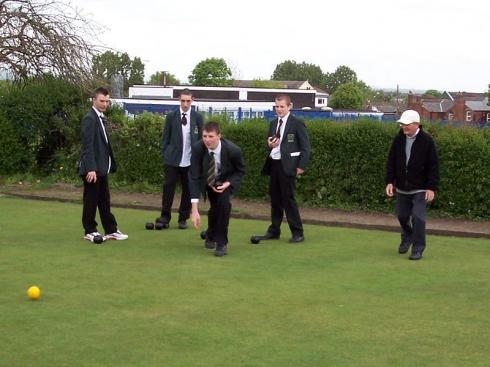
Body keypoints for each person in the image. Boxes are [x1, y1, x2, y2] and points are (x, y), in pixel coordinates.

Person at [385, 109, 439, 260]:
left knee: (418, 217)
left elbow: (433, 166)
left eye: (407, 124)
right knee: (402, 216)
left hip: (420, 188)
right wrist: (389, 181)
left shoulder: (427, 141)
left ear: (416, 124)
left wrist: (431, 188)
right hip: (402, 187)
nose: (404, 127)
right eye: (402, 124)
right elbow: (391, 161)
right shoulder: (399, 139)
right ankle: (407, 235)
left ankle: (418, 248)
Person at [258, 94, 310, 243]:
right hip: (274, 164)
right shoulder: (273, 123)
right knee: (275, 199)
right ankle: (274, 230)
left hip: (288, 166)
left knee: (288, 199)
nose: (279, 109)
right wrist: (269, 144)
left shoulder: (297, 123)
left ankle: (298, 232)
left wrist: (301, 166)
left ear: (289, 106)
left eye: (282, 106)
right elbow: (270, 142)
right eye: (277, 106)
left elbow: (306, 148)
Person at [78, 87, 128, 242]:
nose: (105, 104)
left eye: (107, 101)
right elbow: (87, 146)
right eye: (102, 101)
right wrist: (90, 168)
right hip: (92, 170)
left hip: (102, 169)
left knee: (104, 201)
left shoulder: (100, 117)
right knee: (91, 200)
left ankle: (111, 230)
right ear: (94, 100)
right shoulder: (89, 118)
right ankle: (89, 230)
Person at [189, 121, 245, 256]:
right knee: (215, 208)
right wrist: (194, 210)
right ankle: (210, 234)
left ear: (219, 135)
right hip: (206, 181)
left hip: (224, 181)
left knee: (224, 205)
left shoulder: (233, 150)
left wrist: (228, 183)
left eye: (211, 136)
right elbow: (194, 177)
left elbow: (240, 171)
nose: (207, 140)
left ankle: (221, 242)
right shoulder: (197, 148)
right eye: (204, 136)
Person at [157, 88, 203, 229]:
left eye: (188, 101)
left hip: (190, 160)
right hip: (172, 160)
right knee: (168, 188)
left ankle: (182, 218)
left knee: (188, 190)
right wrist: (166, 153)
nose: (185, 104)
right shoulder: (171, 116)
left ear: (192, 100)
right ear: (179, 100)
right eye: (183, 100)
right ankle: (165, 217)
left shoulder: (197, 117)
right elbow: (165, 138)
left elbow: (201, 138)